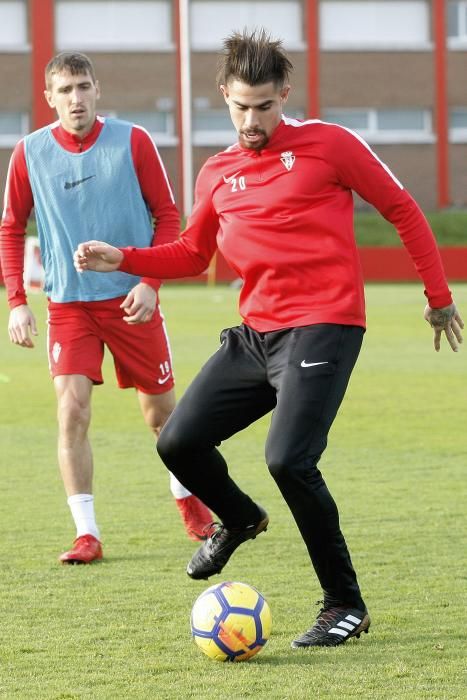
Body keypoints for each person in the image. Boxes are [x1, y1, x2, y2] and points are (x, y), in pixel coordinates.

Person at [73, 30, 463, 646]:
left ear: (284, 95)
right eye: (239, 107)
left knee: (288, 459)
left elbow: (403, 209)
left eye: (264, 107)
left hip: (326, 324)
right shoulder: (218, 173)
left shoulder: (329, 144)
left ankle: (345, 604)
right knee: (178, 442)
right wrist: (122, 256)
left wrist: (438, 298)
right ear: (223, 96)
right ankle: (240, 518)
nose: (251, 120)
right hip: (257, 334)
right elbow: (192, 252)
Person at [0, 51, 214, 565]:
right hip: (69, 306)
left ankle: (188, 498)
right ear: (49, 98)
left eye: (84, 87)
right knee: (70, 411)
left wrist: (150, 282)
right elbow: (11, 228)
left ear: (98, 91)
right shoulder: (28, 154)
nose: (76, 98)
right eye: (65, 90)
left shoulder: (133, 141)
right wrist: (16, 302)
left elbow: (167, 217)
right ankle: (87, 533)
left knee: (162, 418)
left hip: (131, 301)